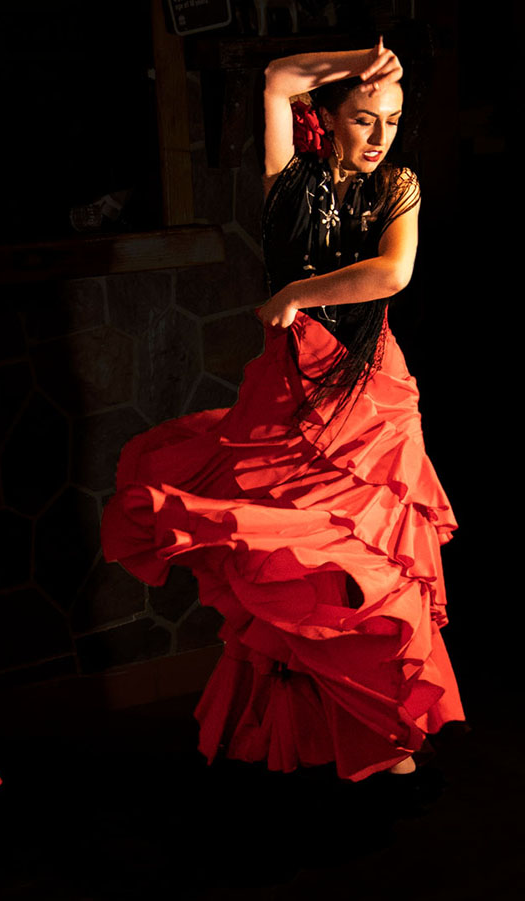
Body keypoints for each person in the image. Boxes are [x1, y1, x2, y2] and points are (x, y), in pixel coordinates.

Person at [101, 39, 463, 783]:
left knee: (365, 564)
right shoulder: (285, 183)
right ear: (325, 118)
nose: (379, 136)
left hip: (368, 400)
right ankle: (298, 735)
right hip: (287, 393)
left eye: (391, 120)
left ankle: (384, 728)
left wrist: (297, 293)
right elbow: (277, 79)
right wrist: (362, 55)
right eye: (363, 119)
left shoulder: (401, 186)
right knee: (282, 560)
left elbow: (393, 271)